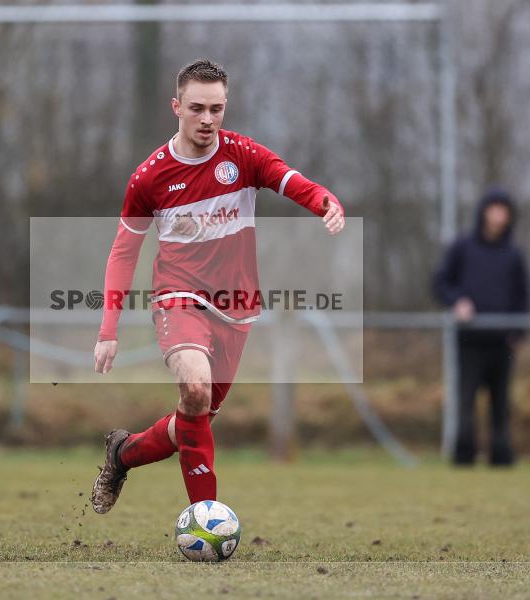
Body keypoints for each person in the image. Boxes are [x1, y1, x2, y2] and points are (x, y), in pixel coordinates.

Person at [90, 59, 345, 513]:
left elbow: (289, 179)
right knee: (195, 389)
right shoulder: (149, 177)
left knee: (195, 415)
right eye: (197, 108)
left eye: (216, 108)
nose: (207, 119)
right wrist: (108, 329)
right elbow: (123, 252)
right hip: (178, 296)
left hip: (236, 306)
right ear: (176, 107)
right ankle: (206, 518)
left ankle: (122, 454)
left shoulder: (242, 155)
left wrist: (324, 201)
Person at [432, 188, 530, 466]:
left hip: (502, 341)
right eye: (493, 209)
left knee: (501, 403)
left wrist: (519, 331)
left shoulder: (513, 254)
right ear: (484, 212)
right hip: (469, 340)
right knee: (466, 400)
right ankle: (464, 455)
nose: (498, 216)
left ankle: (501, 456)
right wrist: (457, 302)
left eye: (503, 211)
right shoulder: (463, 247)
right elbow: (440, 282)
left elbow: (522, 295)